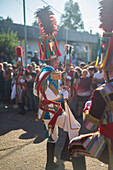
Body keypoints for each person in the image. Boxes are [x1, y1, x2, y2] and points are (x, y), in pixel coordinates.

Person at [33, 6, 81, 170]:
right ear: (52, 60)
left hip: (44, 111)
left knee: (53, 137)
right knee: (75, 128)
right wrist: (65, 93)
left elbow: (35, 91)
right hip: (54, 109)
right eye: (57, 60)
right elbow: (55, 95)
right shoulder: (52, 73)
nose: (58, 62)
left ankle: (49, 163)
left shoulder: (41, 72)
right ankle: (71, 158)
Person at [68, 0, 113, 169]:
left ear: (108, 69)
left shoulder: (103, 92)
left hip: (110, 145)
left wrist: (88, 106)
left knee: (74, 146)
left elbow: (89, 124)